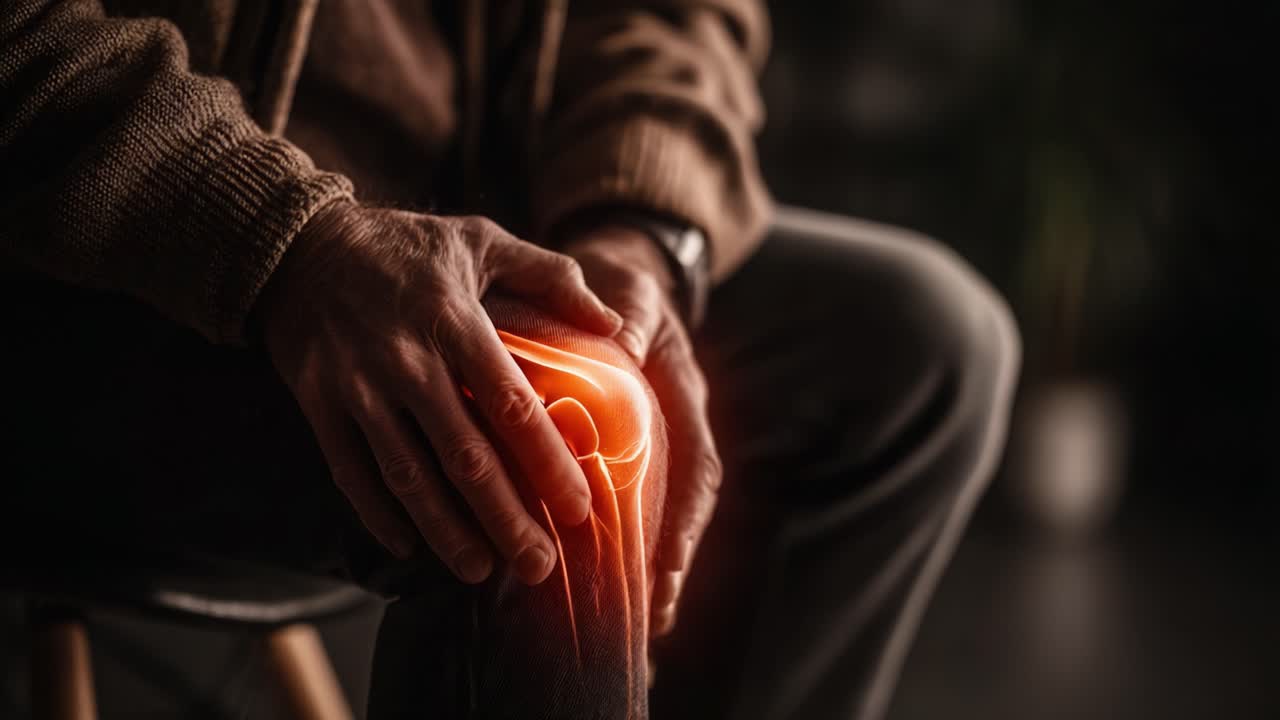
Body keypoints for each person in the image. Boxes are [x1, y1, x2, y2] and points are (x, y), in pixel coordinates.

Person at [0, 1, 1020, 718]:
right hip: (96, 254)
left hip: (458, 213)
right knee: (543, 438)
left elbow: (673, 13)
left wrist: (635, 228)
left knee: (918, 346)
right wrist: (279, 236)